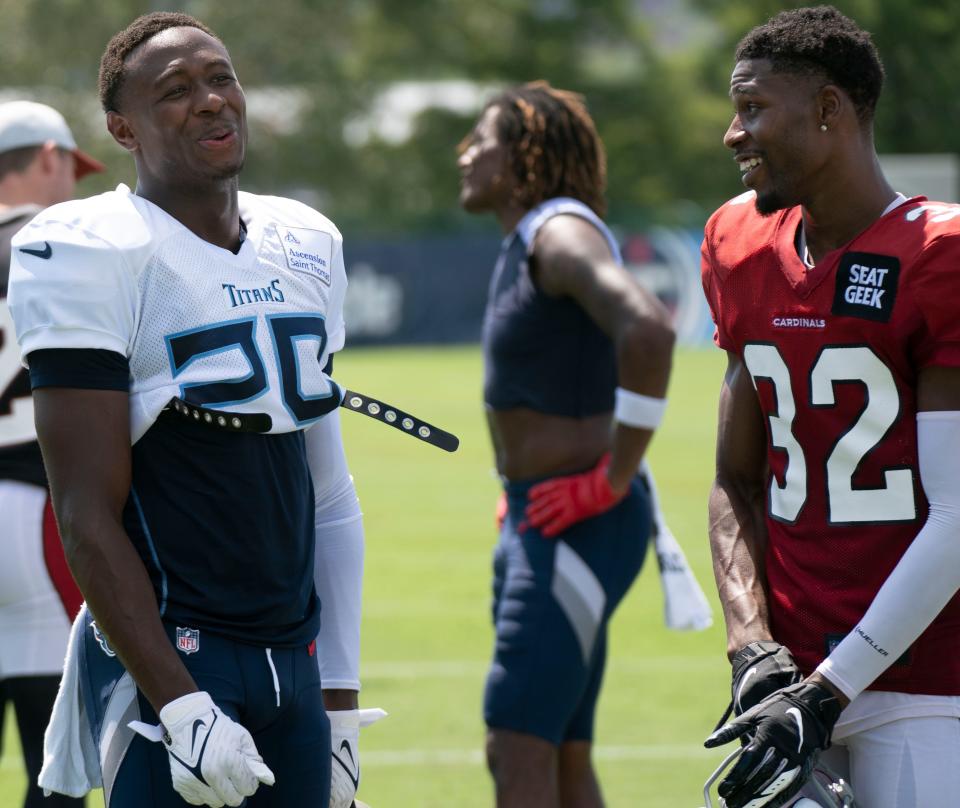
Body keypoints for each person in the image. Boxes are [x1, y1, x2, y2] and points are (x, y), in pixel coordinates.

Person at [7, 12, 370, 808]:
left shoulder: (306, 241)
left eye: (219, 78)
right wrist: (181, 704)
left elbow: (331, 494)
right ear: (121, 129)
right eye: (174, 91)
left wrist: (338, 700)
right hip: (173, 658)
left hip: (293, 659)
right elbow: (84, 512)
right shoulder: (92, 248)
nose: (210, 100)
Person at [701, 6, 960, 807]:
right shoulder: (737, 243)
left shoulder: (938, 256)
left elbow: (957, 512)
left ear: (828, 110)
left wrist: (830, 688)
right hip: (790, 681)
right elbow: (734, 481)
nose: (732, 134)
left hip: (919, 686)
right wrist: (754, 651)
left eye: (752, 108)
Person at [457, 82, 675, 808]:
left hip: (578, 524)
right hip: (545, 516)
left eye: (479, 141)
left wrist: (612, 477)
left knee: (515, 745)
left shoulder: (558, 232)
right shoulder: (533, 237)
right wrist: (520, 485)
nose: (465, 154)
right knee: (562, 753)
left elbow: (648, 328)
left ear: (522, 156)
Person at [0, 99, 104, 808]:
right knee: (59, 760)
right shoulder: (64, 241)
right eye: (72, 165)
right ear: (47, 156)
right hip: (38, 509)